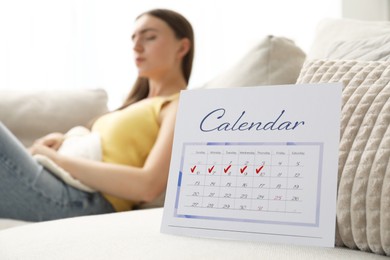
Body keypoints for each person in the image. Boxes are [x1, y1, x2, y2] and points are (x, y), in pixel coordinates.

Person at [0, 8, 194, 221]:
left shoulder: (179, 106)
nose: (136, 47)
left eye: (150, 37)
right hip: (64, 184)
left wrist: (55, 158)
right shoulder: (135, 105)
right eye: (133, 39)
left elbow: (147, 186)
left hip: (83, 200)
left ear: (182, 47)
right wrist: (63, 140)